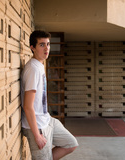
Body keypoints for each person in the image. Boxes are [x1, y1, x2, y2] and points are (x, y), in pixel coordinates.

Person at [21, 30, 78, 160]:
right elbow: (28, 106)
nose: (46, 48)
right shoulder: (33, 69)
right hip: (37, 127)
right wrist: (37, 135)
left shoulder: (39, 65)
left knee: (71, 144)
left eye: (48, 44)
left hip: (47, 120)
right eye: (42, 45)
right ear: (32, 48)